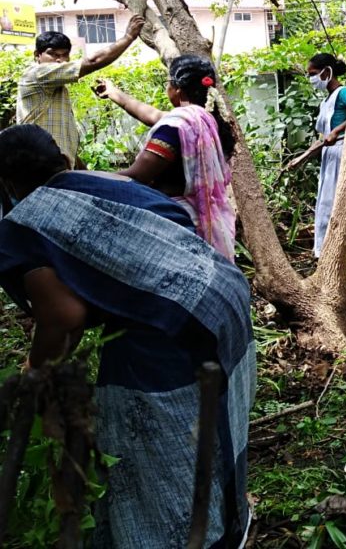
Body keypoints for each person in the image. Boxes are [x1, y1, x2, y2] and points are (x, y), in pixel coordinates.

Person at [0, 125, 255, 548]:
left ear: (6, 183)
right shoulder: (107, 181)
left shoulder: (24, 223)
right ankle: (228, 523)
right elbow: (174, 221)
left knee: (151, 440)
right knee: (216, 420)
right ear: (64, 161)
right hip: (222, 293)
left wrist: (36, 371)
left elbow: (64, 316)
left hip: (169, 325)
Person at [95, 55, 236, 260]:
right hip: (211, 224)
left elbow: (137, 176)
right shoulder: (210, 123)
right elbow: (150, 114)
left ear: (177, 88)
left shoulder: (176, 126)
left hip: (176, 223)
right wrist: (114, 93)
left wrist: (82, 177)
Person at [17, 14, 145, 165]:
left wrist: (81, 170)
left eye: (65, 55)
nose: (59, 60)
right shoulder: (36, 74)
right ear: (37, 56)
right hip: (37, 164)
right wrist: (129, 37)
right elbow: (93, 61)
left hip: (52, 166)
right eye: (52, 54)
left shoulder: (58, 88)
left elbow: (62, 140)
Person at [285, 53, 346, 279]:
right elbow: (323, 137)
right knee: (326, 209)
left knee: (338, 208)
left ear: (327, 72)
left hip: (342, 153)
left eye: (313, 74)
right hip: (329, 155)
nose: (311, 79)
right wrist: (303, 157)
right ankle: (329, 261)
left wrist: (337, 131)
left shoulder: (344, 93)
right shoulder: (326, 100)